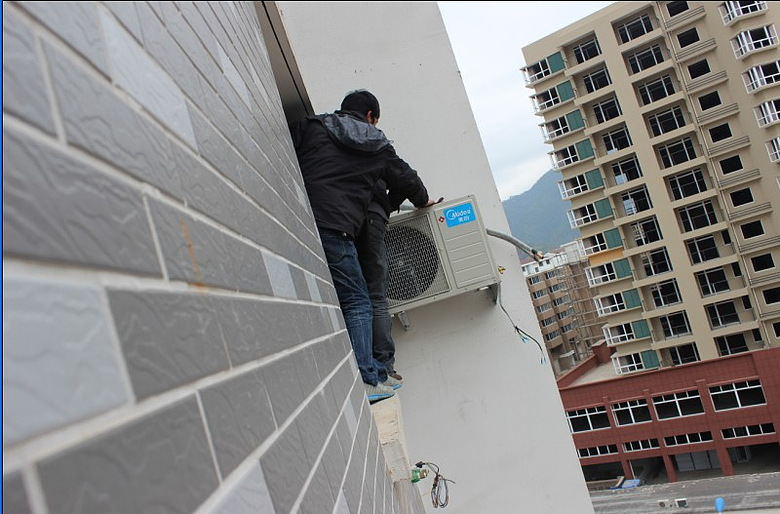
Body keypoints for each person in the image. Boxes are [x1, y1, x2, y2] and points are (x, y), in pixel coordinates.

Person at [290, 89, 435, 402]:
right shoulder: (378, 146)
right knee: (360, 301)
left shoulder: (313, 127)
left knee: (349, 298)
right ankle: (370, 379)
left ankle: (373, 374)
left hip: (299, 220)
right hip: (336, 228)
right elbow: (408, 179)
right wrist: (423, 201)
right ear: (371, 117)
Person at [356, 184, 442, 390]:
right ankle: (383, 368)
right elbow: (403, 177)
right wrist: (392, 204)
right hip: (371, 219)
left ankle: (368, 365)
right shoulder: (374, 152)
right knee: (376, 297)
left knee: (357, 297)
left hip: (342, 220)